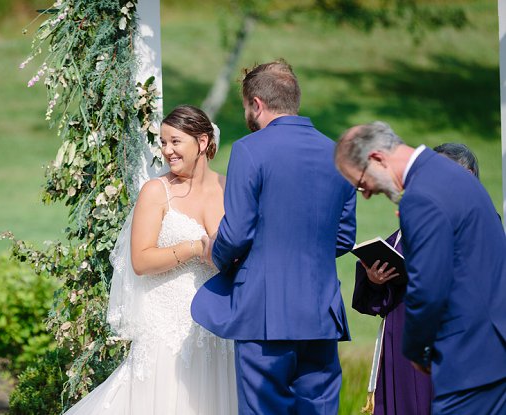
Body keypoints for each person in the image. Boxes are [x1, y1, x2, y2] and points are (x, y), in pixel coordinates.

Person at [192, 60, 357, 414]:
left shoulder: (250, 149)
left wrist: (214, 253)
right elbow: (343, 237)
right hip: (321, 312)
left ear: (257, 104)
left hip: (263, 312)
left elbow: (236, 233)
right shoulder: (339, 155)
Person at [63, 105, 237, 414]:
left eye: (175, 141)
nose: (167, 151)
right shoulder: (156, 191)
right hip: (167, 325)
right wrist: (195, 248)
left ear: (202, 142)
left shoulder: (229, 188)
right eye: (164, 142)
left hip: (215, 325)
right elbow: (140, 261)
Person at [335, 122, 506, 414]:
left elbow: (429, 285)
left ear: (377, 158)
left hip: (464, 359)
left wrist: (415, 350)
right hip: (490, 351)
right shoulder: (452, 179)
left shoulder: (421, 195)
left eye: (361, 183)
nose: (365, 194)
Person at [352, 143, 480, 415]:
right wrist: (375, 279)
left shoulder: (480, 224)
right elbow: (381, 272)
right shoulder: (414, 225)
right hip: (403, 346)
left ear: (466, 176)